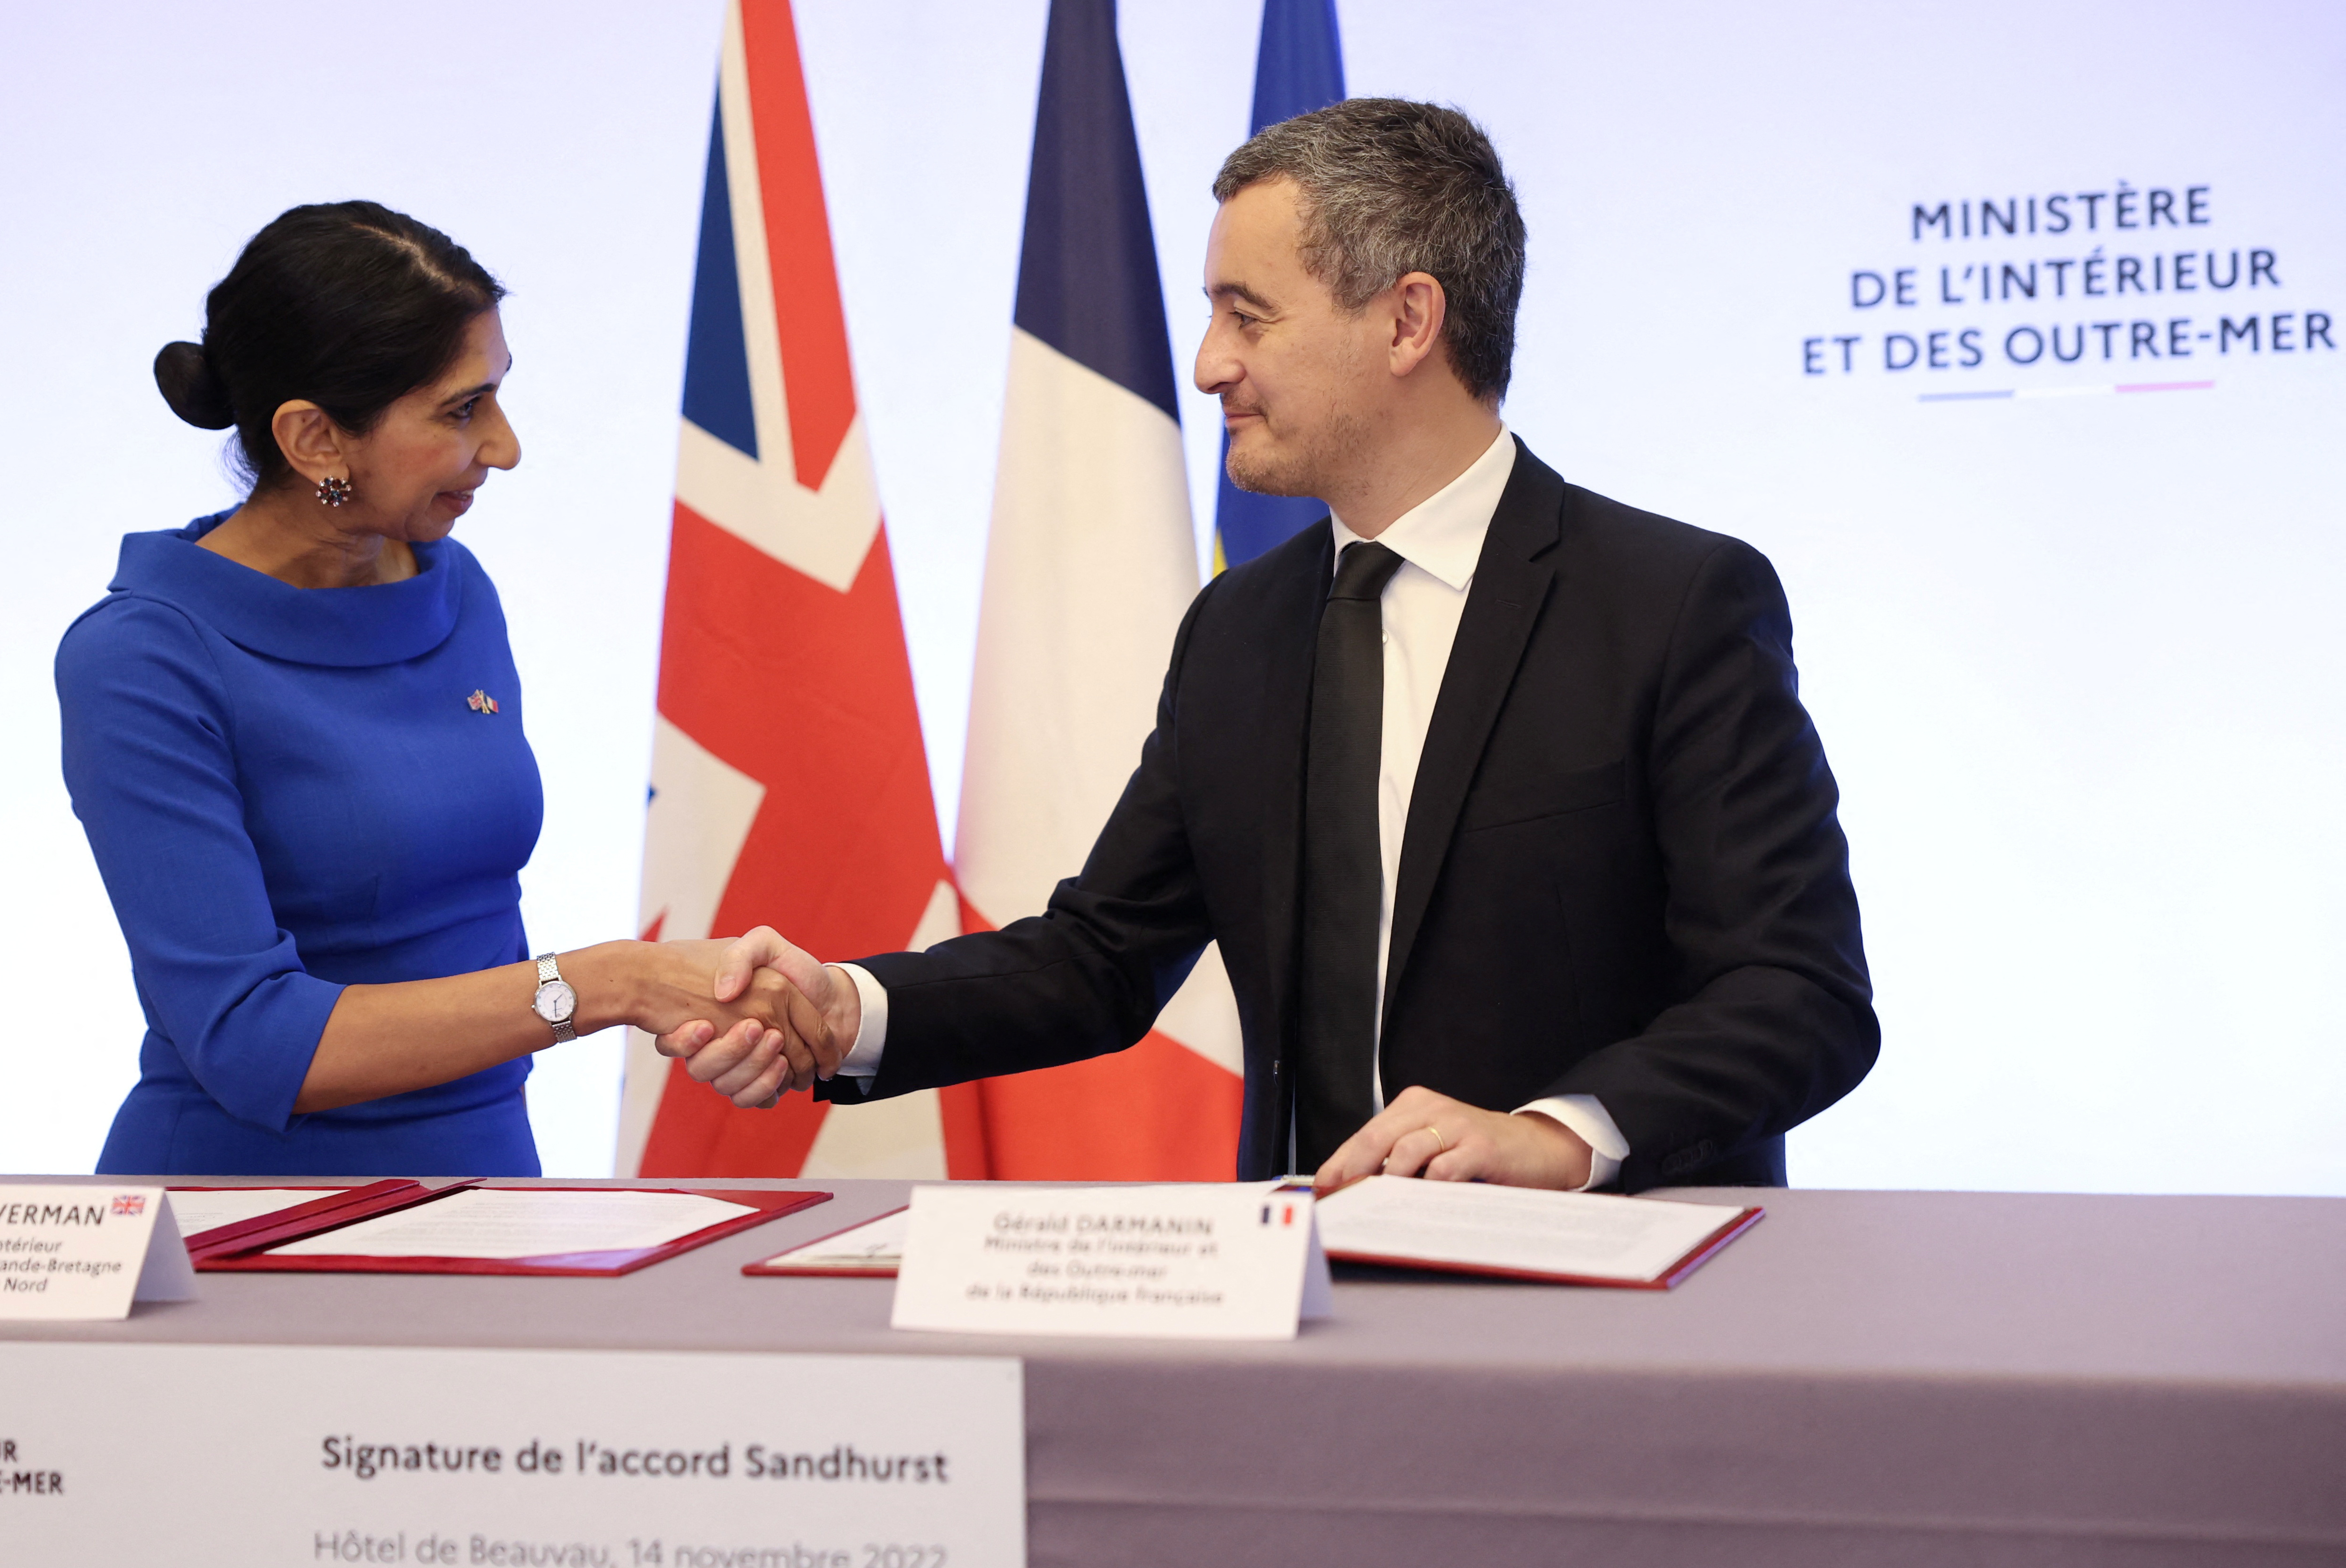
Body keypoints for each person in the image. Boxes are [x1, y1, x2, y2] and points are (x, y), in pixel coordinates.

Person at [667, 100, 1877, 1192]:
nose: (1209, 366)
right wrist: (851, 1005)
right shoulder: (1237, 627)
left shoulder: (1672, 602)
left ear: (1408, 320)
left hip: (1615, 1319)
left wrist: (1560, 1133)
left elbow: (1797, 992)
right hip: (1305, 1314)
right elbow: (1100, 956)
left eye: (1247, 316)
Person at [59, 202, 831, 1176]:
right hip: (244, 1214)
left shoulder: (451, 588)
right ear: (315, 439)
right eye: (462, 409)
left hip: (488, 1176)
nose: (505, 446)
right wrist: (613, 984)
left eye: (496, 396)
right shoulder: (142, 659)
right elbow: (254, 1038)